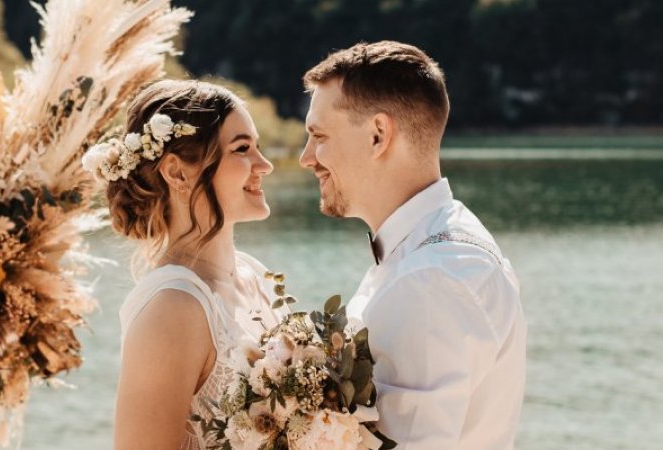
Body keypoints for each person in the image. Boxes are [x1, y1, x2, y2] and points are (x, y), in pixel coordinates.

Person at [300, 41, 527, 449]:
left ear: (377, 135)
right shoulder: (434, 248)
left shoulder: (429, 280)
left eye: (318, 136)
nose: (306, 158)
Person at [83, 79, 281, 450]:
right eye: (242, 149)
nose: (264, 165)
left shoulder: (256, 276)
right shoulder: (172, 308)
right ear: (176, 173)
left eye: (258, 147)